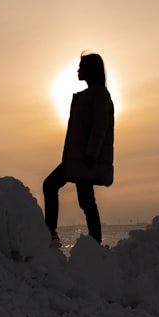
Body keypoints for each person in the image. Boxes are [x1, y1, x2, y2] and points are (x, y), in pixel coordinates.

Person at [43, 52, 115, 246]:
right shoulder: (91, 94)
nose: (78, 70)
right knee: (84, 199)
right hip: (77, 159)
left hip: (84, 159)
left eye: (81, 66)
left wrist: (91, 153)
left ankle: (52, 234)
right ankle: (91, 242)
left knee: (55, 188)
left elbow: (100, 126)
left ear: (90, 70)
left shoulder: (99, 94)